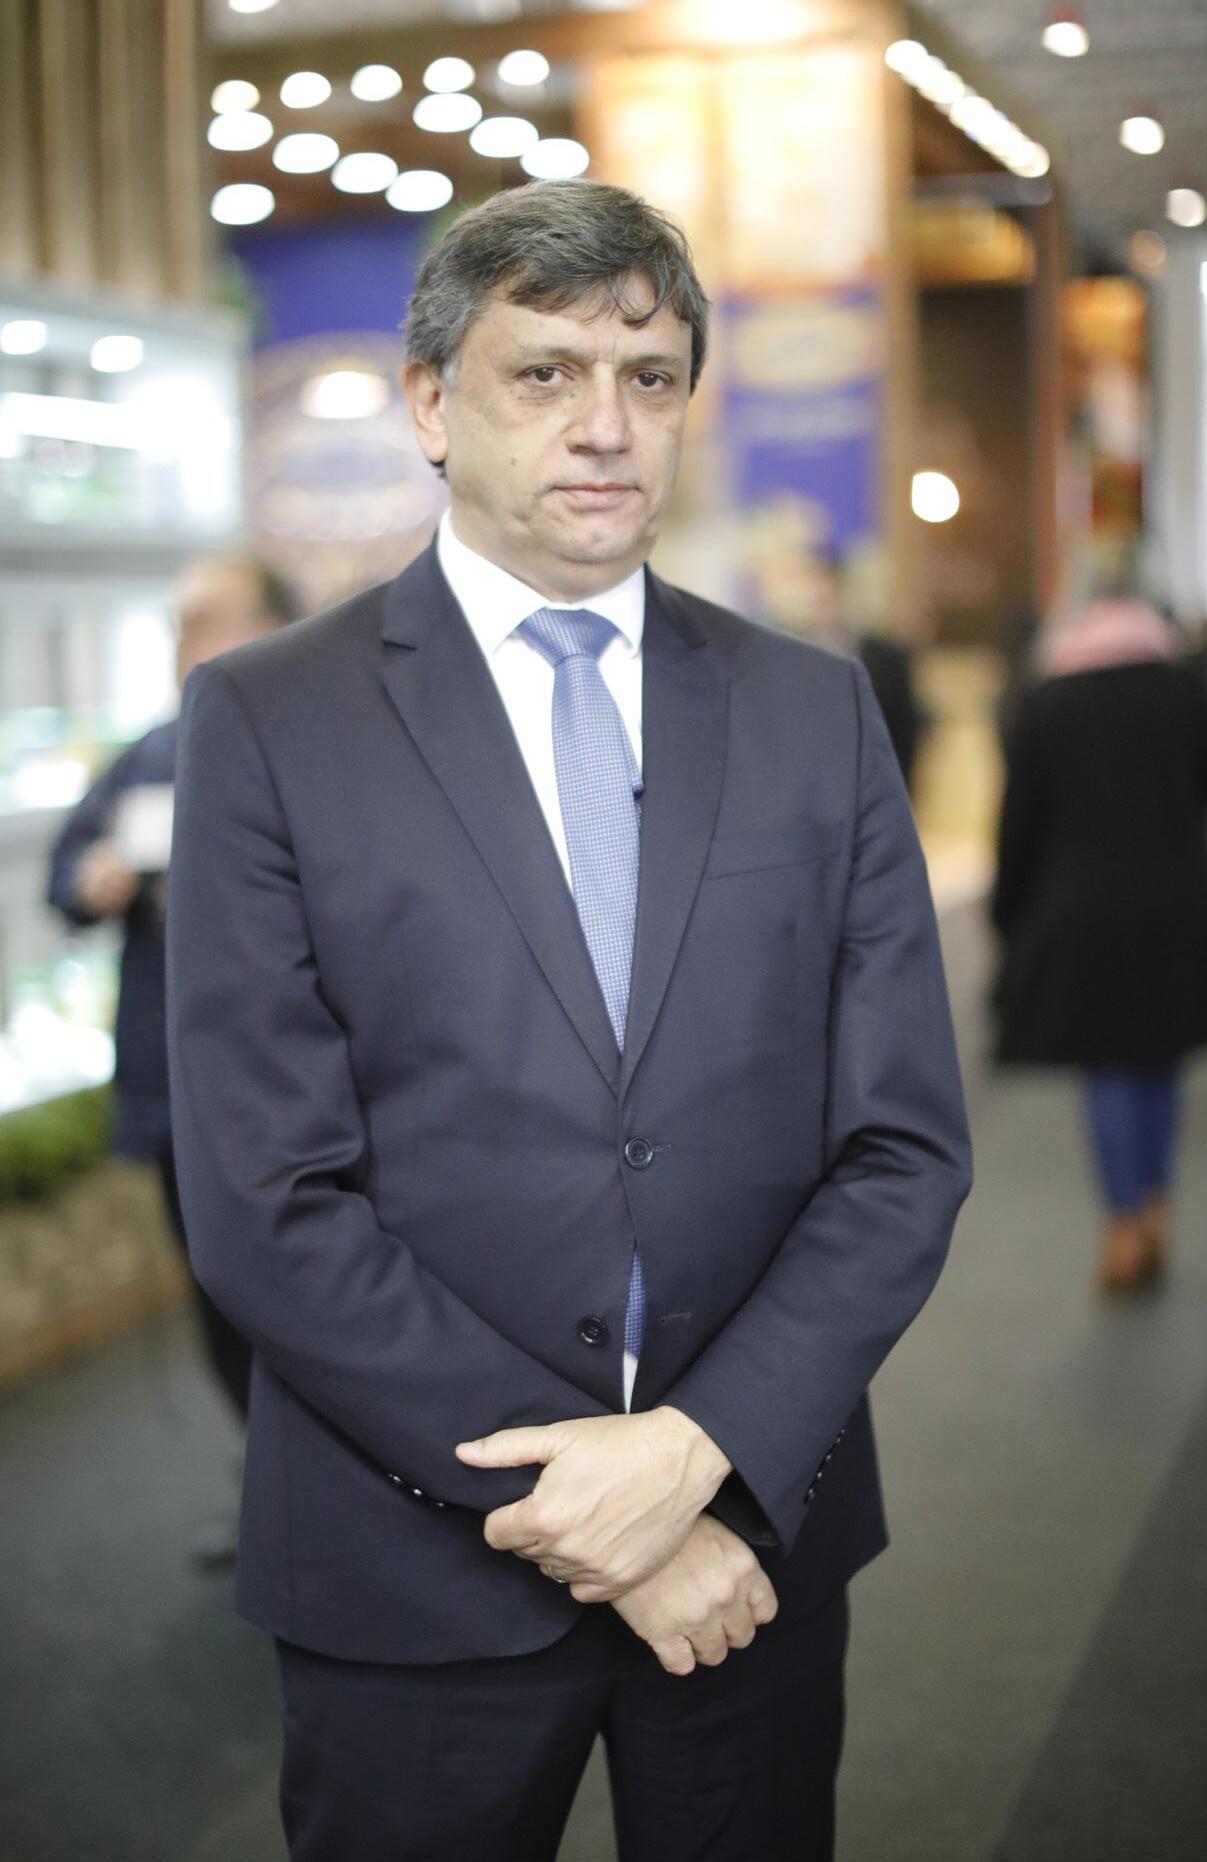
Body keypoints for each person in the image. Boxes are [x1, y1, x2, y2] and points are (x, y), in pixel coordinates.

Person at [166, 181, 971, 1862]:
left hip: (751, 1540)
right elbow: (264, 1200)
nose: (604, 427)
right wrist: (604, 1507)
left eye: (648, 378)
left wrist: (697, 1454)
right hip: (412, 1570)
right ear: (429, 403)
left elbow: (900, 1147)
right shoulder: (268, 718)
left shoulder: (810, 709)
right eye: (543, 374)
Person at [47, 555, 297, 1561]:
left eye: (203, 619)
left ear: (270, 624)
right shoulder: (149, 754)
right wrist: (92, 876)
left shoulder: (319, 741)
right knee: (217, 1294)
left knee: (308, 1293)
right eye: (177, 624)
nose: (181, 641)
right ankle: (273, 1492)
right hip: (170, 1085)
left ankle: (341, 1499)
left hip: (290, 1091)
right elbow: (64, 872)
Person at [991, 584, 1207, 1291]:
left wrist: (1008, 914)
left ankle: (1120, 1221)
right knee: (1159, 1060)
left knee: (1108, 1065)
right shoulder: (1186, 693)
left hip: (1082, 912)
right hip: (1176, 905)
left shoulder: (1047, 704)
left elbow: (1018, 826)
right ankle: (1156, 1205)